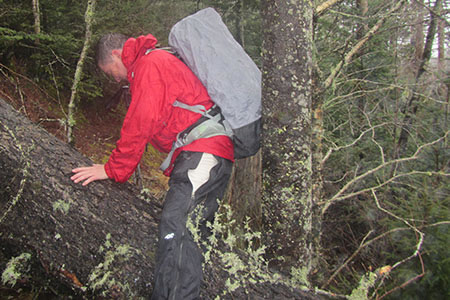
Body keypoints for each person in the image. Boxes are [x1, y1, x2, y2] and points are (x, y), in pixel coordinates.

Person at [70, 33, 234, 299]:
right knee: (185, 229)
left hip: (204, 151)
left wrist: (113, 169)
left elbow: (140, 122)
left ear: (115, 54)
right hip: (199, 153)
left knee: (179, 229)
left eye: (111, 72)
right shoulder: (151, 64)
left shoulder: (150, 64)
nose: (115, 79)